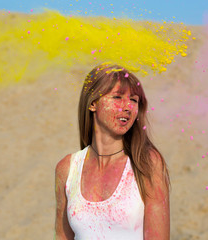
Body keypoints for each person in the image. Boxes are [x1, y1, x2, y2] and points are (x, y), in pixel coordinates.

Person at [55, 63, 170, 240]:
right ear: (93, 103)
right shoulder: (67, 168)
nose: (127, 107)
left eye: (133, 100)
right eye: (117, 97)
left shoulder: (146, 163)